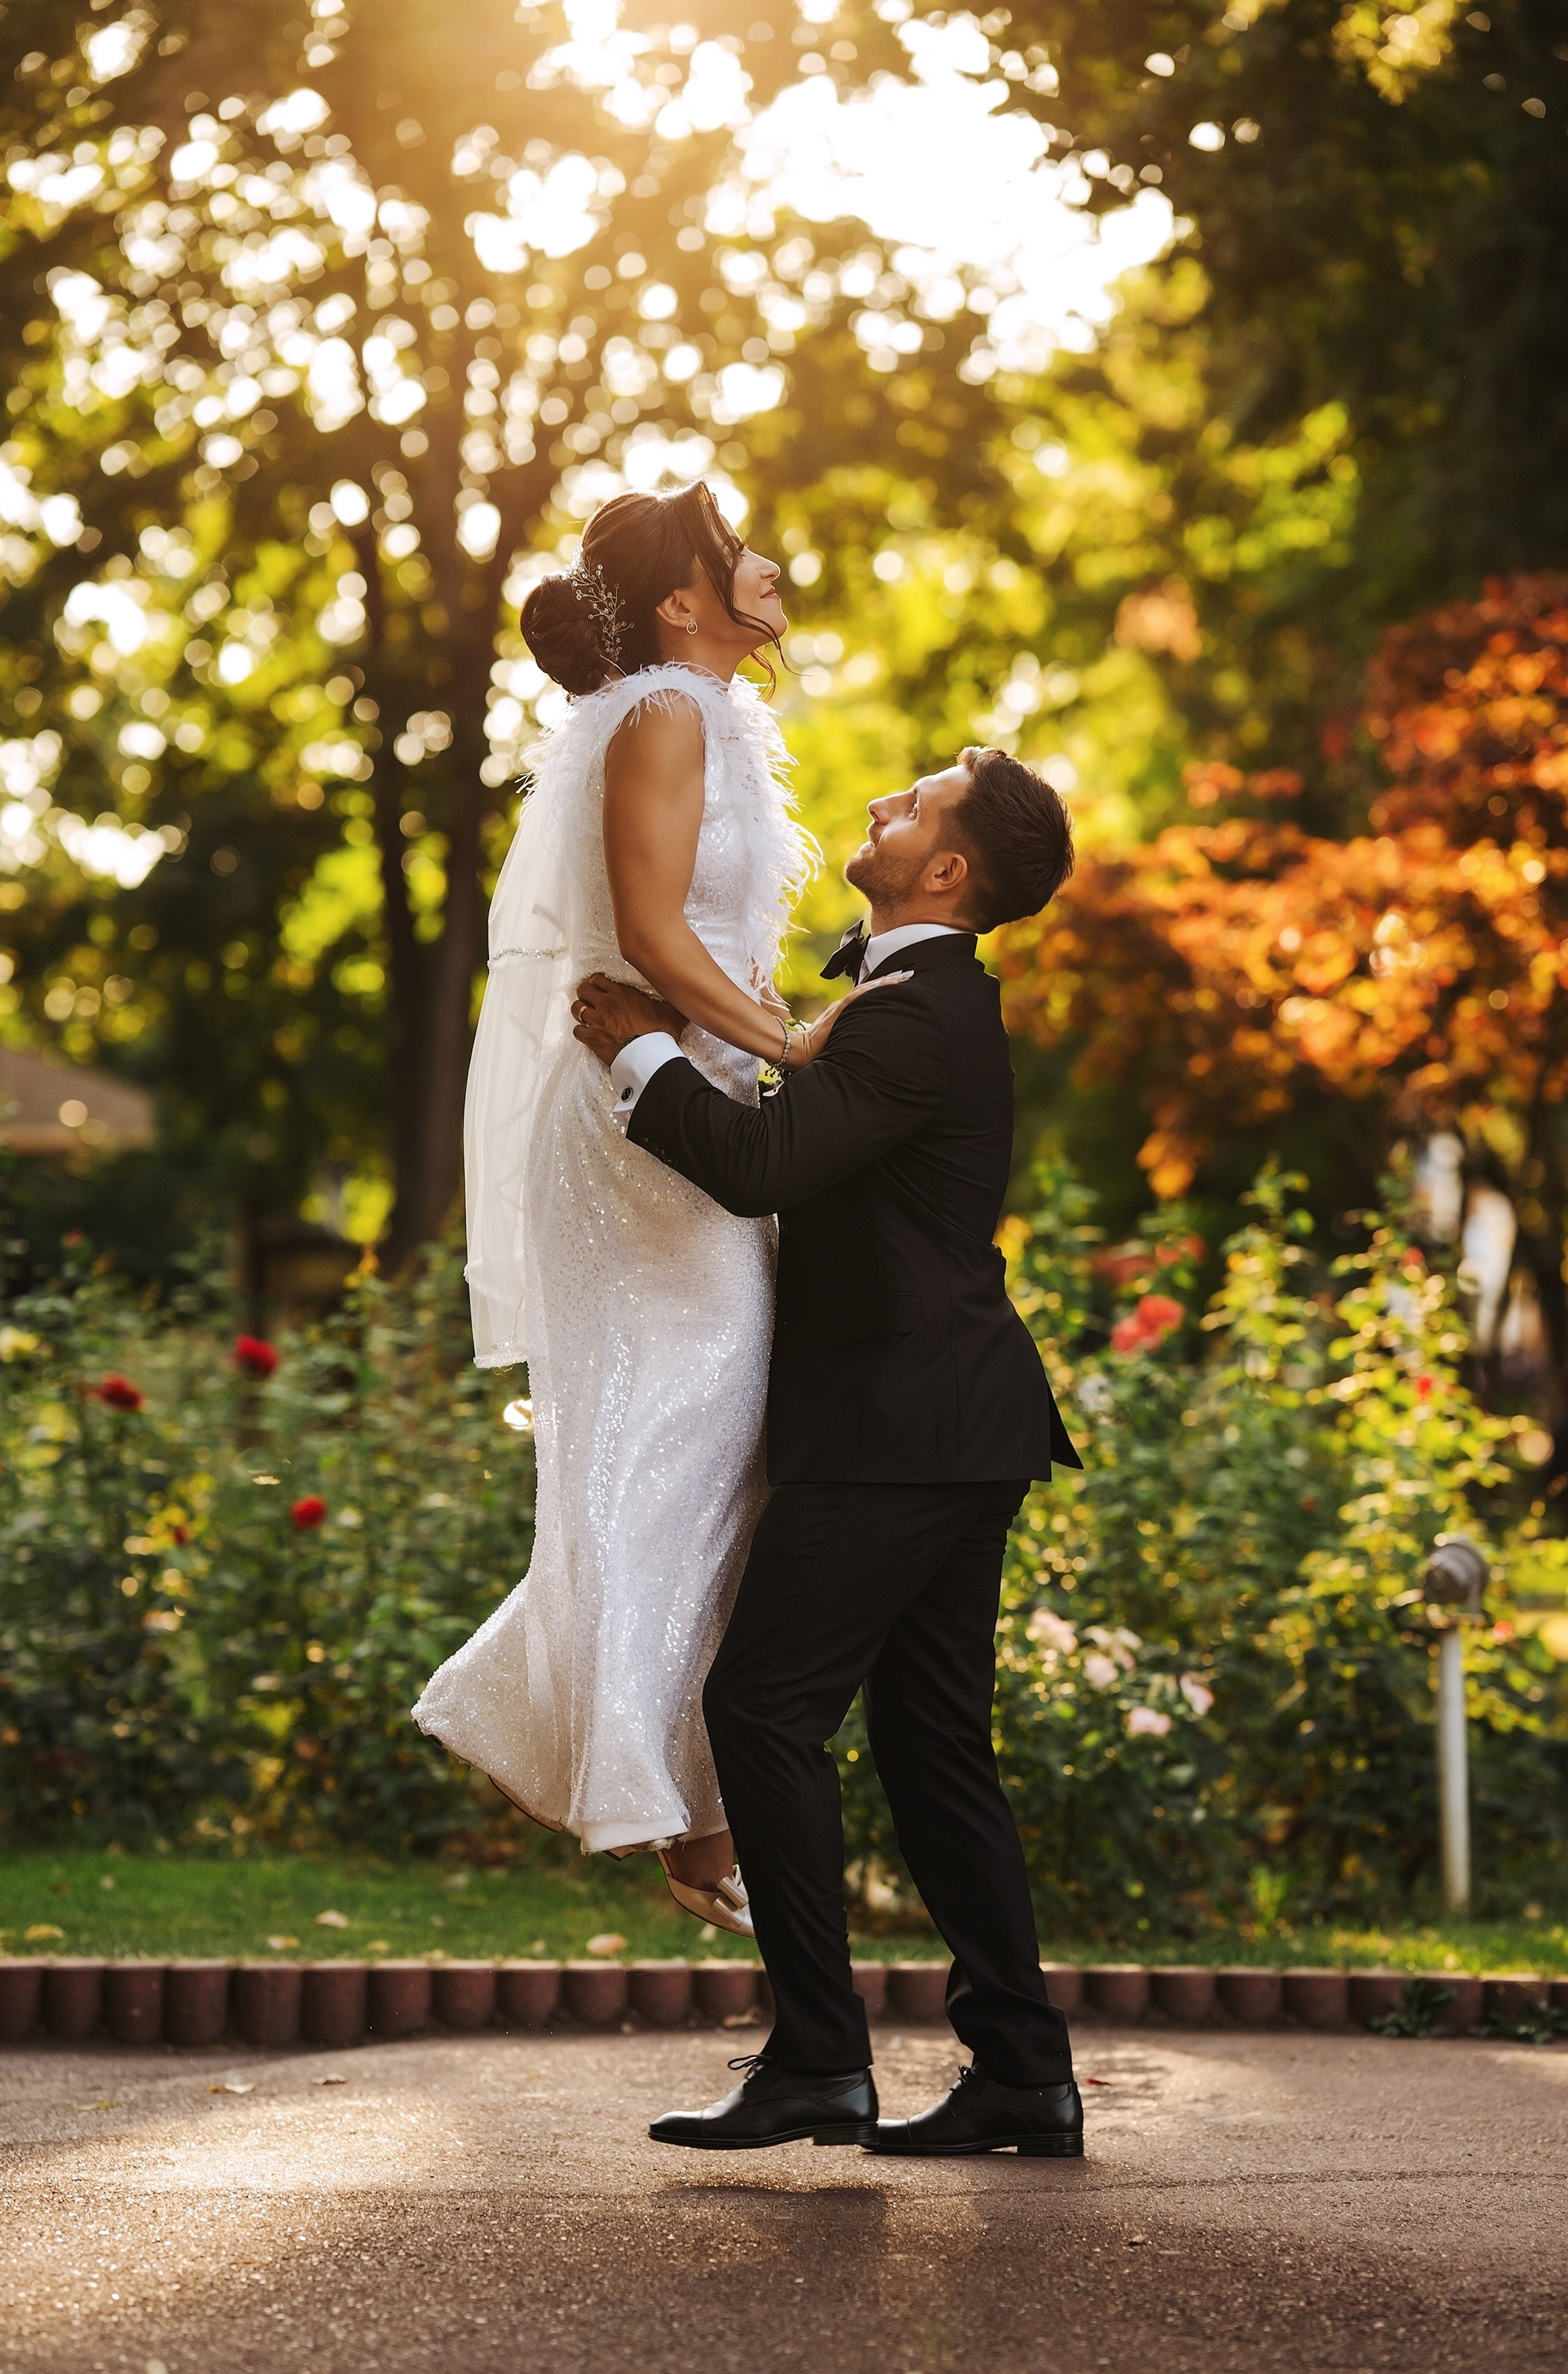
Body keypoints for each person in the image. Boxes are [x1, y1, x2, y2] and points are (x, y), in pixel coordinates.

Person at [572, 744, 1087, 2155]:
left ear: (949, 872)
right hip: (944, 1419)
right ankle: (1024, 2079)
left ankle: (817, 2058)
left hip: (903, 1427)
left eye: (912, 806)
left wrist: (636, 1050)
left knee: (762, 1711)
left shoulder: (914, 1015)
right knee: (934, 1756)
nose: (881, 806)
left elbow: (758, 1170)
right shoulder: (902, 992)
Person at [413, 483, 861, 1936]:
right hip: (643, 1122)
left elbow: (683, 940)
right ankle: (675, 1797)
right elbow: (657, 932)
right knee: (699, 1437)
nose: (768, 565)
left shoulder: (690, 713)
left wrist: (757, 1041)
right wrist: (792, 1043)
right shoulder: (664, 713)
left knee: (717, 1446)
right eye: (739, 553)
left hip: (690, 1090)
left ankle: (687, 1796)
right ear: (683, 603)